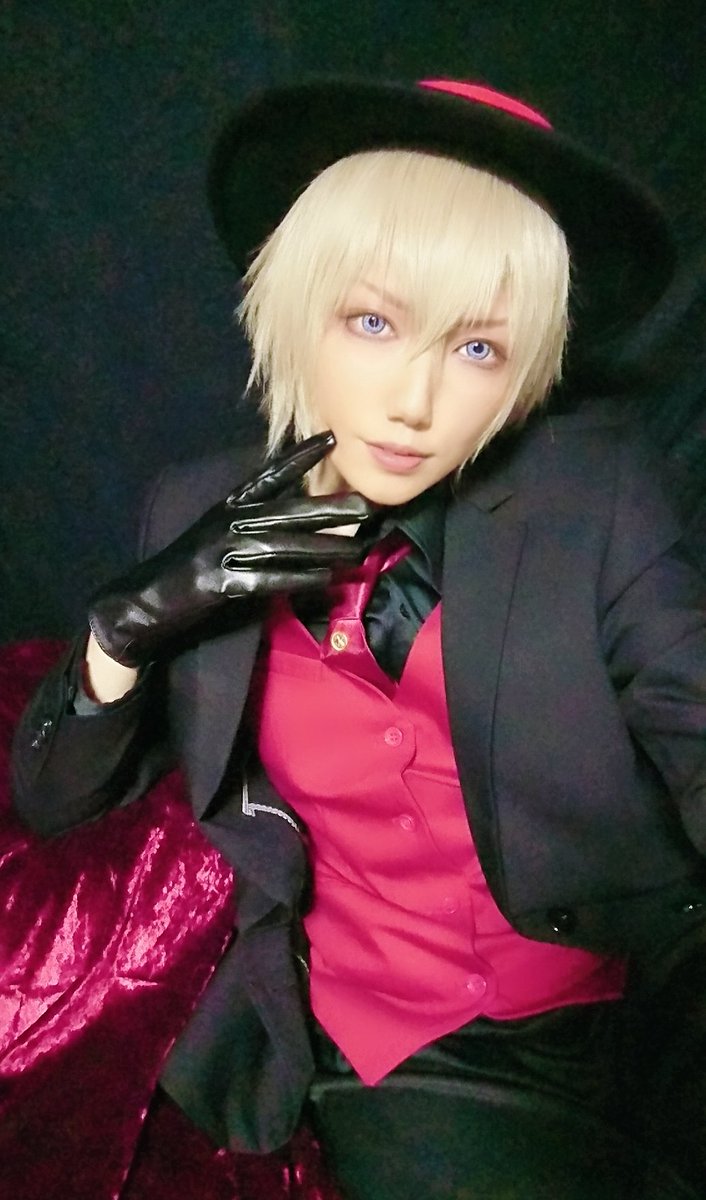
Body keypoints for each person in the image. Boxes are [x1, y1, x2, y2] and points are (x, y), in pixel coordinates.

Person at [11, 78, 706, 1199]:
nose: (413, 402)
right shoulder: (191, 505)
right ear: (299, 308)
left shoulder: (595, 492)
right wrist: (134, 621)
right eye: (372, 323)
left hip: (628, 1009)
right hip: (399, 1045)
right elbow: (55, 799)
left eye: (477, 349)